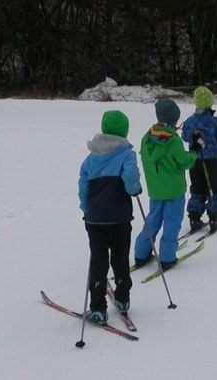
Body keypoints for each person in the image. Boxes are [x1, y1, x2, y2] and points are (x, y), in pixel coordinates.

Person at [78, 110, 142, 324]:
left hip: (95, 219)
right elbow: (131, 177)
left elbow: (83, 186)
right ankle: (123, 298)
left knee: (98, 260)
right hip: (120, 217)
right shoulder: (126, 153)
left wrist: (85, 208)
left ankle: (97, 307)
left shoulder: (91, 157)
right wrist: (134, 189)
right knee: (120, 257)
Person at [134, 99, 201, 270]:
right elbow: (183, 161)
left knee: (153, 221)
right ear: (173, 119)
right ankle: (167, 258)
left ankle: (141, 254)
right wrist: (195, 153)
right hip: (174, 192)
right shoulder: (173, 141)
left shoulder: (147, 137)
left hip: (156, 190)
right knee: (172, 223)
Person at [182, 86, 217, 233]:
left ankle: (194, 217)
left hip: (194, 160)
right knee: (214, 188)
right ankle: (214, 217)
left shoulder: (189, 122)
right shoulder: (215, 122)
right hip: (212, 161)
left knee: (197, 188)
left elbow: (184, 136)